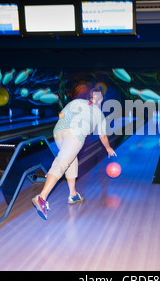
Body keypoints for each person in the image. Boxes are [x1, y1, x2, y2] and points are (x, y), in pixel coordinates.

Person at [32, 88, 116, 219]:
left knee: (71, 160)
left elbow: (61, 116)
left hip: (58, 132)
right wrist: (108, 148)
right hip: (75, 134)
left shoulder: (77, 102)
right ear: (101, 99)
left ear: (90, 97)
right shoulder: (99, 114)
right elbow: (103, 136)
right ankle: (41, 197)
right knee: (63, 161)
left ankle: (73, 194)